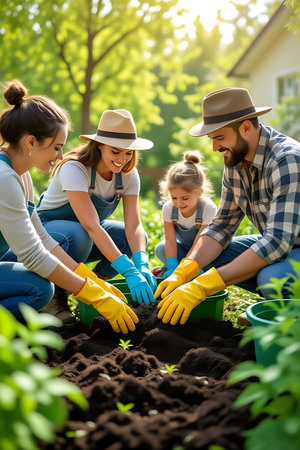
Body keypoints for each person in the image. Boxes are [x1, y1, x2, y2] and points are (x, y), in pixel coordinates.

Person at [0, 79, 138, 333]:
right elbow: (32, 254)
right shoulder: (4, 178)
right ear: (31, 142)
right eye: (56, 147)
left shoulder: (21, 175)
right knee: (39, 289)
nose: (60, 156)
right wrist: (91, 294)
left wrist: (91, 280)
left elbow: (42, 238)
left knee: (41, 286)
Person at [155, 87, 300, 326]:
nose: (214, 148)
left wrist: (202, 286)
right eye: (212, 140)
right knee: (204, 257)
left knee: (270, 277)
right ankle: (273, 305)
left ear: (245, 127)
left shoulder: (287, 161)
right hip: (282, 244)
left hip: (288, 244)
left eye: (219, 138)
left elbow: (276, 243)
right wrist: (187, 269)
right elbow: (221, 226)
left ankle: (282, 316)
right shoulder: (235, 161)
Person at [37, 109, 157, 319]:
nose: (122, 159)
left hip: (87, 235)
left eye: (129, 153)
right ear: (99, 145)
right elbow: (91, 225)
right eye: (116, 151)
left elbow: (134, 226)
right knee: (79, 234)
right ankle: (57, 294)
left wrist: (141, 262)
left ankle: (95, 284)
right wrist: (128, 271)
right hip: (51, 234)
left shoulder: (128, 174)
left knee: (134, 240)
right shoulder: (74, 168)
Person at [154, 150, 217, 279]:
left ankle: (201, 272)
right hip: (183, 250)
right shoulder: (169, 208)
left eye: (185, 198)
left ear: (199, 192)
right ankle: (172, 268)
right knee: (160, 248)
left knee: (202, 271)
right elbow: (170, 241)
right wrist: (172, 266)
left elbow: (199, 244)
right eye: (174, 197)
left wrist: (186, 268)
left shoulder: (208, 208)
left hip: (204, 252)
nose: (179, 203)